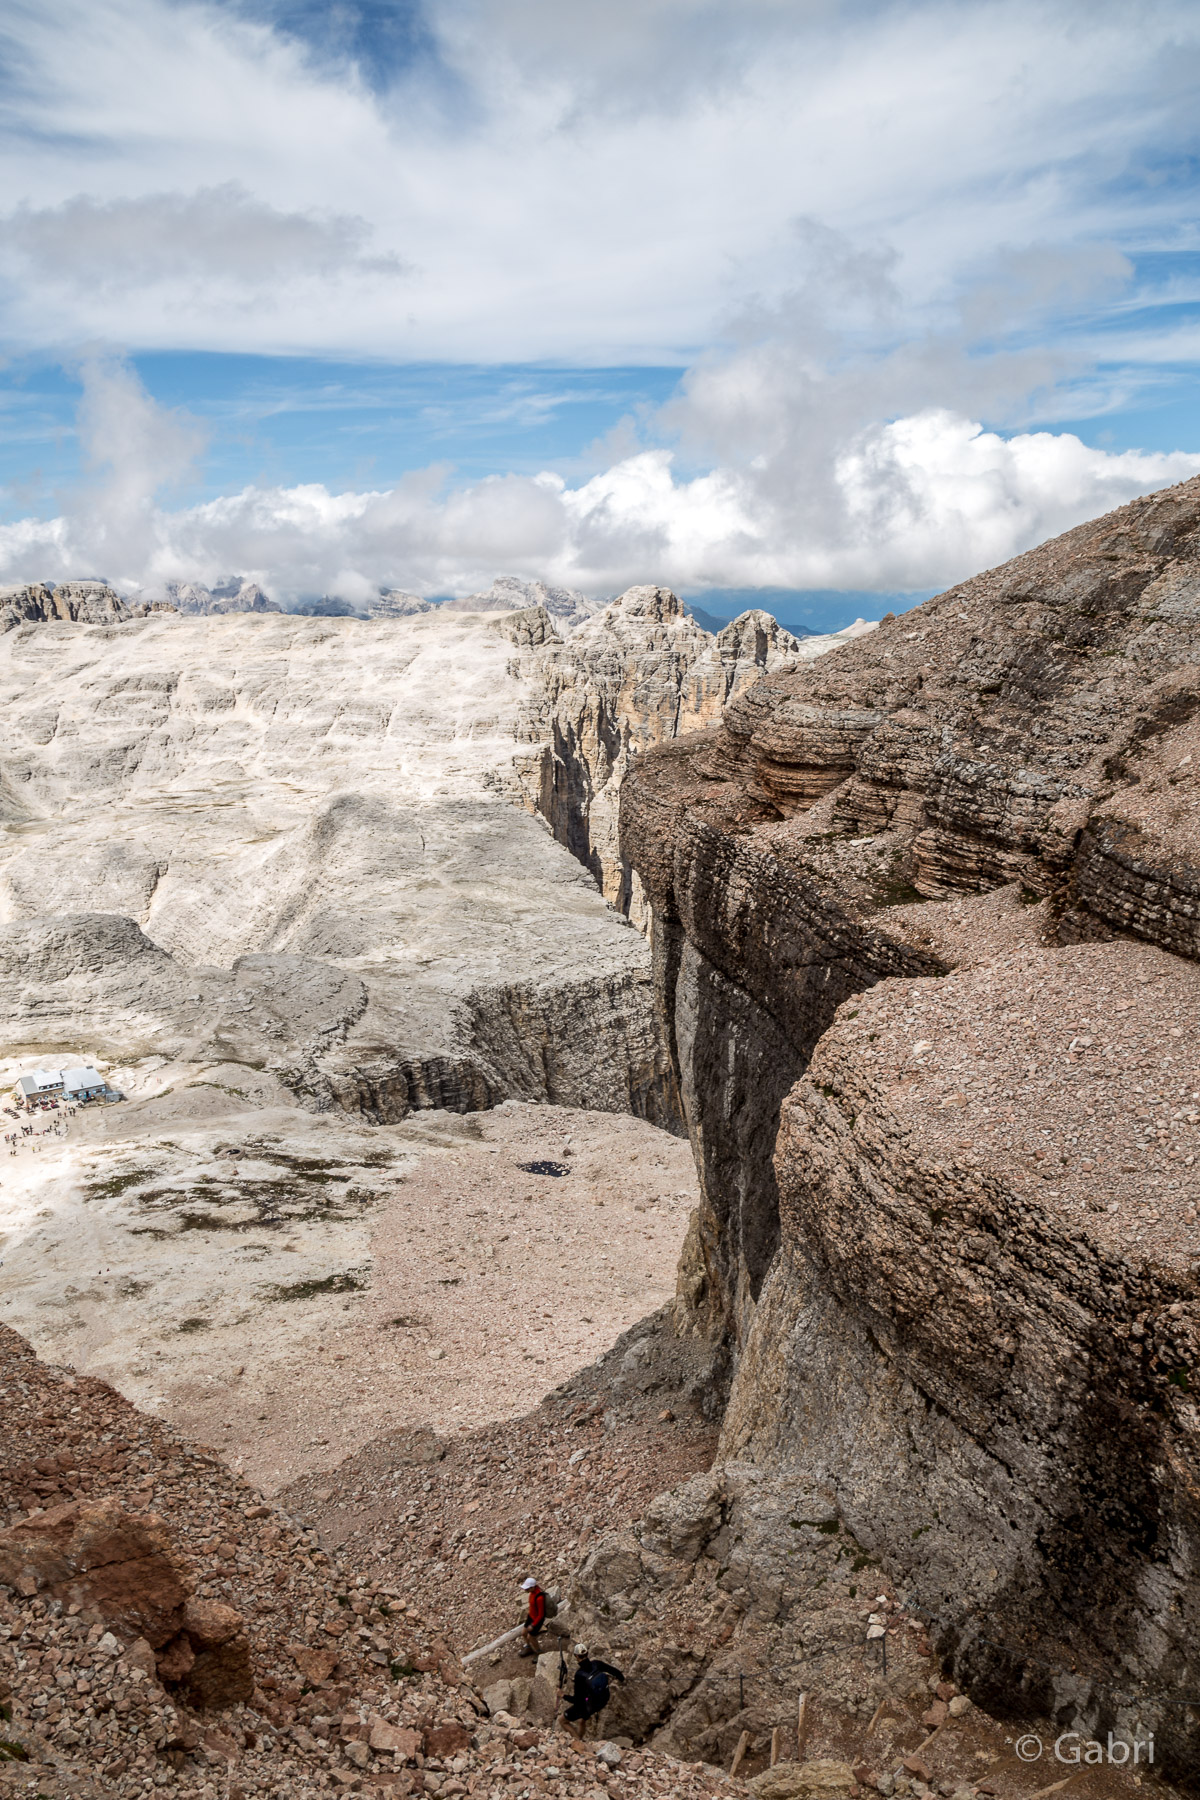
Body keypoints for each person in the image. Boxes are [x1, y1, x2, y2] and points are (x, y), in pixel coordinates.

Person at [562, 1645, 624, 1736]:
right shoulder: (596, 1664)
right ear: (587, 1653)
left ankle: (578, 1742)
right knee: (581, 1719)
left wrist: (563, 1695)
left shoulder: (579, 1675)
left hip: (589, 1705)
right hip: (604, 1698)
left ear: (576, 1656)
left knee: (562, 1721)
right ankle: (580, 1736)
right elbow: (616, 1672)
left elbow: (577, 1700)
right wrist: (622, 1679)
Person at [518, 1576, 547, 1656]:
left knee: (531, 1637)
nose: (525, 1590)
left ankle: (539, 1652)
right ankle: (529, 1647)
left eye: (527, 1588)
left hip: (537, 1620)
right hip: (531, 1617)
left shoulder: (539, 1598)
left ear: (533, 1587)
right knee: (524, 1633)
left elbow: (541, 1614)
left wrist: (533, 1625)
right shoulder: (532, 1593)